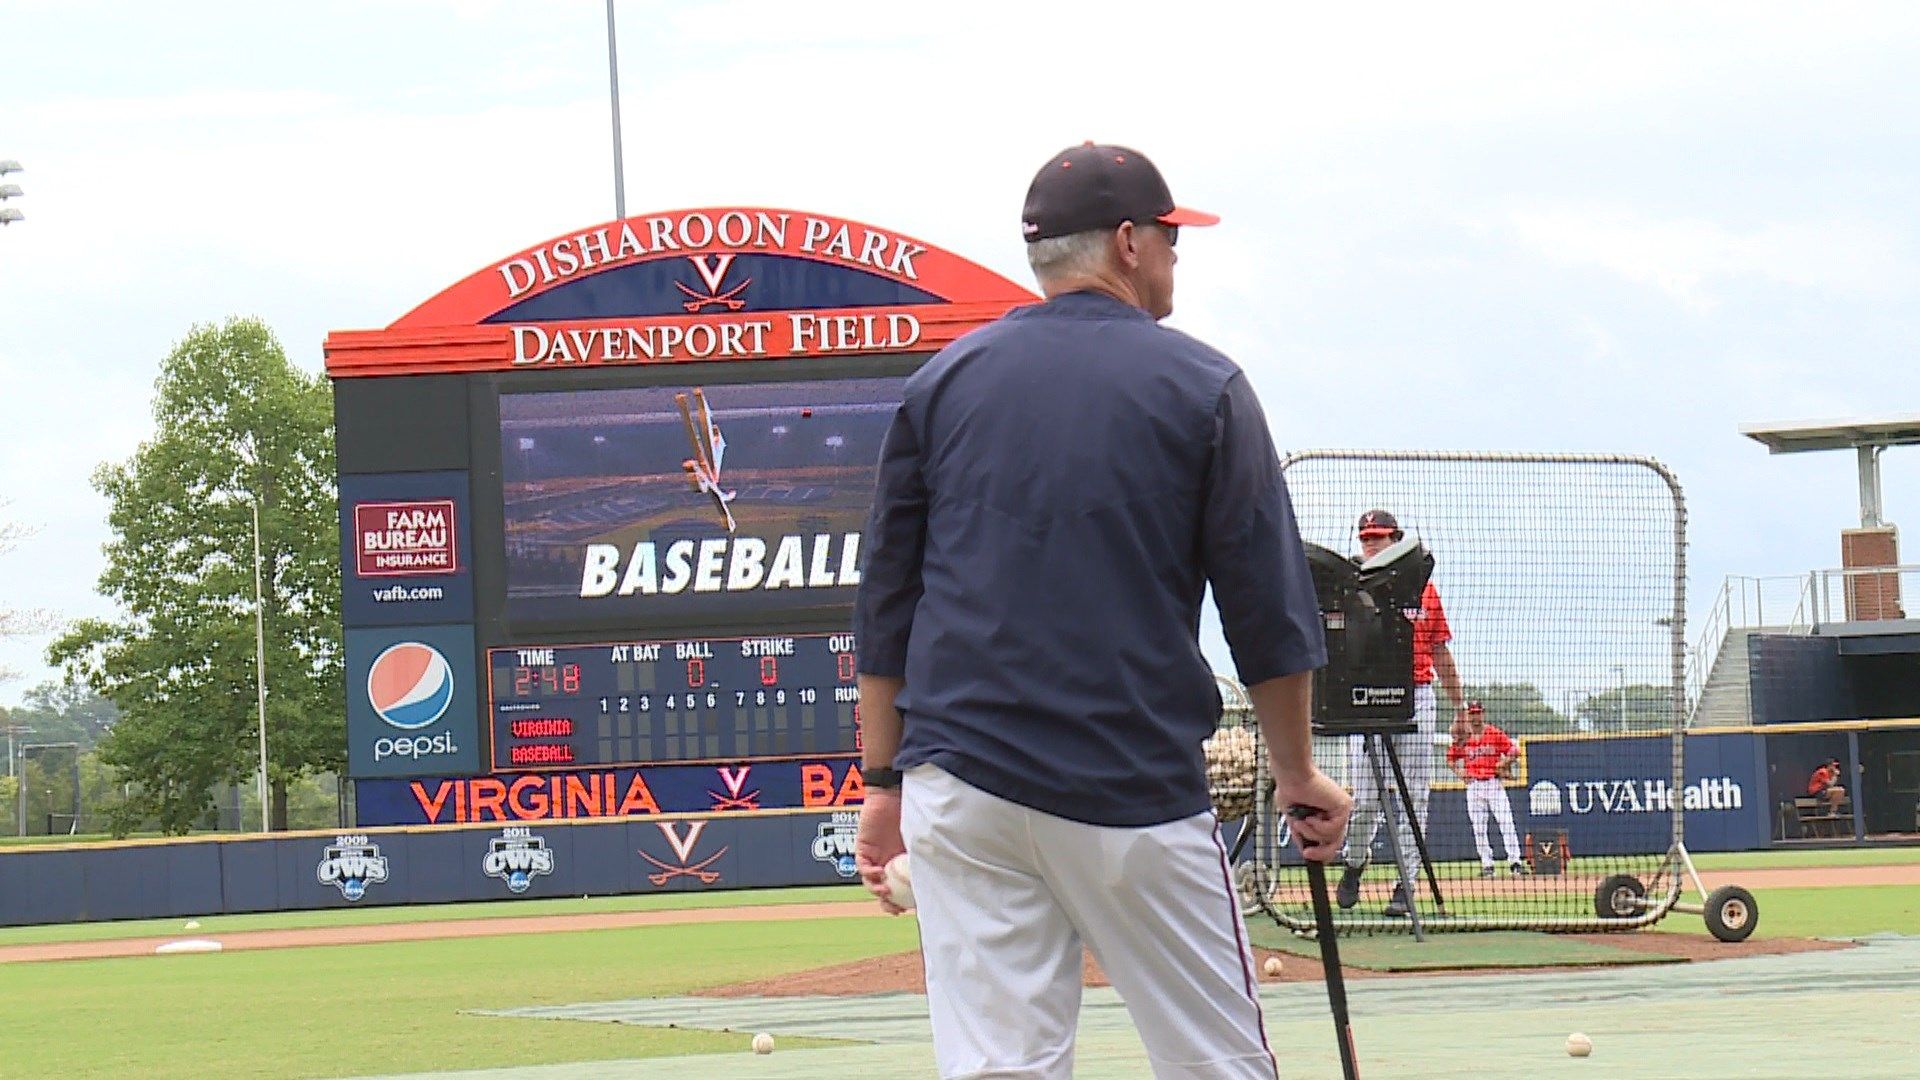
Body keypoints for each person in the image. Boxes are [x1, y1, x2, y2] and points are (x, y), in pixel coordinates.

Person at [850, 142, 1353, 1080]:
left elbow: (887, 606)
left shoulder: (943, 383)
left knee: (1003, 1067)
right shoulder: (1204, 384)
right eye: (1168, 236)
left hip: (961, 784)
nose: (1174, 255)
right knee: (1218, 1063)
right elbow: (1270, 617)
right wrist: (1297, 776)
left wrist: (883, 784)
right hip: (1128, 783)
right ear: (1127, 241)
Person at [1335, 508, 1469, 916]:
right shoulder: (1351, 587)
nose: (1371, 543)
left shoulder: (1424, 591)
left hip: (1417, 695)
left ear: (1397, 540)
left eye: (1379, 536)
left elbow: (1440, 651)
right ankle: (1355, 861)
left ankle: (1405, 885)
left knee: (1414, 798)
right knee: (1366, 801)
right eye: (1366, 537)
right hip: (1370, 697)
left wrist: (1460, 707)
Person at [1446, 701, 1527, 877]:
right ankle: (1487, 865)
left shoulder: (1493, 733)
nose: (1475, 717)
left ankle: (1515, 862)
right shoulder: (1464, 737)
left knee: (1506, 822)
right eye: (1472, 713)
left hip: (1493, 783)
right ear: (1468, 716)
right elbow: (1450, 759)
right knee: (1479, 828)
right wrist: (1461, 773)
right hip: (1474, 785)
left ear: (1483, 714)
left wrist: (1504, 762)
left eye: (1478, 713)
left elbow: (1515, 750)